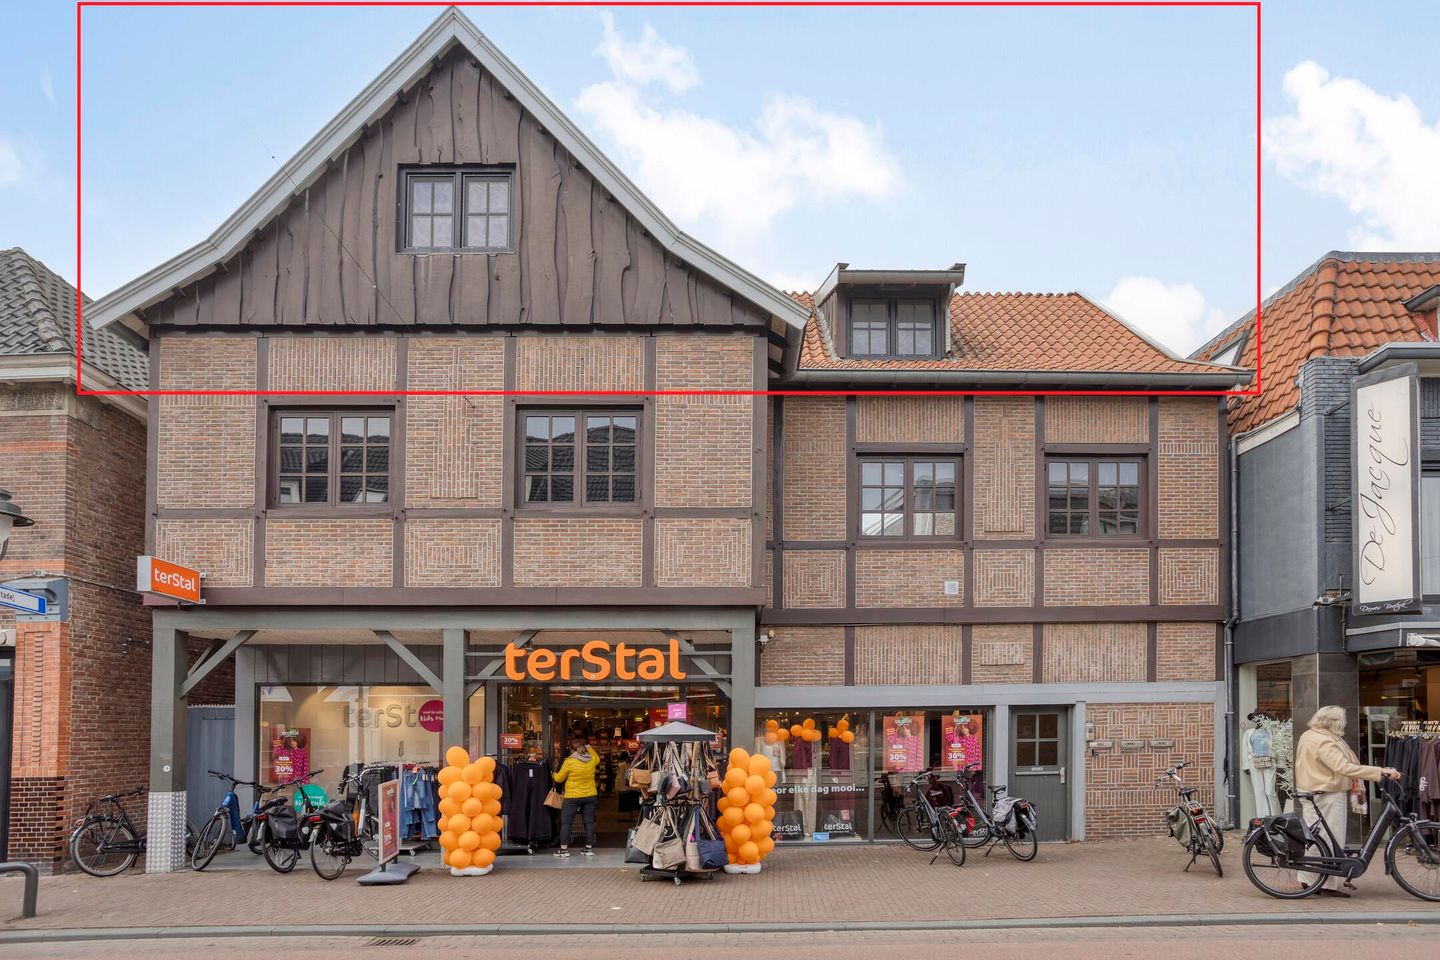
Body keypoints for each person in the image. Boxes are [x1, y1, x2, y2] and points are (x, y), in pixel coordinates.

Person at [1294, 705, 1402, 896]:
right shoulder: (1325, 741)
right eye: (1342, 720)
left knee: (1318, 838)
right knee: (1330, 839)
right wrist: (1380, 771)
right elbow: (1344, 767)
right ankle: (1323, 884)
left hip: (1313, 790)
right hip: (1326, 794)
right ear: (1335, 723)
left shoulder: (1310, 735)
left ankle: (1310, 880)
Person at [552, 736, 600, 858]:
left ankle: (564, 850)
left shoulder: (569, 762)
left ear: (572, 750)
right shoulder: (592, 760)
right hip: (590, 795)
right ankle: (588, 848)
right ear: (585, 748)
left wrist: (553, 773)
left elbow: (559, 779)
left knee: (566, 822)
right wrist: (590, 748)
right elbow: (598, 759)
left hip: (572, 797)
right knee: (589, 822)